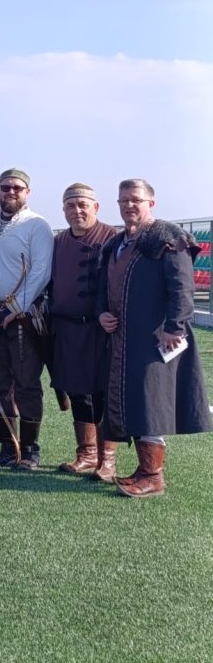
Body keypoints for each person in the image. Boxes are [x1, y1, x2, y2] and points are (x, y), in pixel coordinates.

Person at [98, 179, 211, 498]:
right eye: (123, 200)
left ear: (151, 203)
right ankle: (143, 470)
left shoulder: (168, 237)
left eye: (135, 199)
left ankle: (153, 476)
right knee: (134, 401)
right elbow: (103, 287)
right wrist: (101, 313)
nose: (128, 205)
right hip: (123, 339)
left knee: (151, 403)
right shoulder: (116, 243)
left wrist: (175, 326)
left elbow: (182, 286)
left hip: (157, 338)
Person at [0, 168, 54, 469]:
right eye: (5, 187)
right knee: (0, 384)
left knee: (26, 384)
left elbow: (41, 272)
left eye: (17, 188)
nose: (11, 192)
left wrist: (17, 308)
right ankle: (8, 449)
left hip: (23, 317)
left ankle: (30, 450)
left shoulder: (38, 225)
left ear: (27, 192)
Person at [49, 184, 120, 479]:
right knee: (77, 392)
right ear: (63, 209)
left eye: (83, 205)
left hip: (102, 330)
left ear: (95, 207)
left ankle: (107, 459)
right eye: (70, 205)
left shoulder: (112, 237)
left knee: (103, 393)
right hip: (67, 329)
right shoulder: (58, 242)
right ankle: (87, 454)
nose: (77, 211)